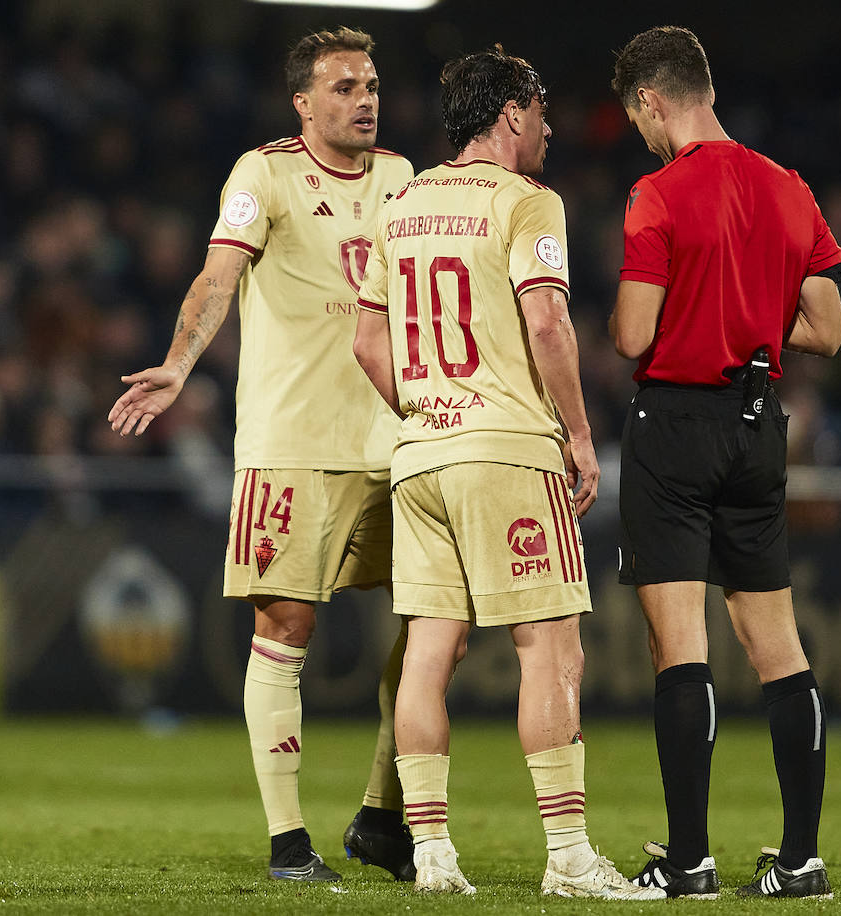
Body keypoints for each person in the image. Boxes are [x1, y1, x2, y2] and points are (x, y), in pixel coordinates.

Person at [351, 46, 664, 901]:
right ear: (514, 112)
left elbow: (367, 342)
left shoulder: (402, 202)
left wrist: (424, 410)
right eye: (545, 110)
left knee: (426, 654)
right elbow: (551, 324)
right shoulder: (528, 202)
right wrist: (578, 433)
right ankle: (567, 857)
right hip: (507, 451)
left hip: (420, 458)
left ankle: (433, 854)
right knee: (552, 649)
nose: (553, 127)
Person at [107, 27, 417, 884]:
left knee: (434, 628)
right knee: (288, 626)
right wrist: (177, 363)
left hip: (397, 441)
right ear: (304, 102)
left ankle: (381, 815)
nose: (365, 99)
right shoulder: (264, 173)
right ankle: (289, 841)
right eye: (345, 85)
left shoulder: (401, 179)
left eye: (373, 84)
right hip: (292, 443)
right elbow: (216, 277)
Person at [607, 26, 841, 900]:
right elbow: (826, 329)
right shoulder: (789, 188)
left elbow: (634, 332)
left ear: (651, 102)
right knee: (780, 650)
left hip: (675, 424)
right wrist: (747, 310)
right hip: (758, 424)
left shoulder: (657, 194)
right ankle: (801, 860)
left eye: (636, 116)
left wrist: (697, 309)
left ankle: (690, 861)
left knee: (682, 649)